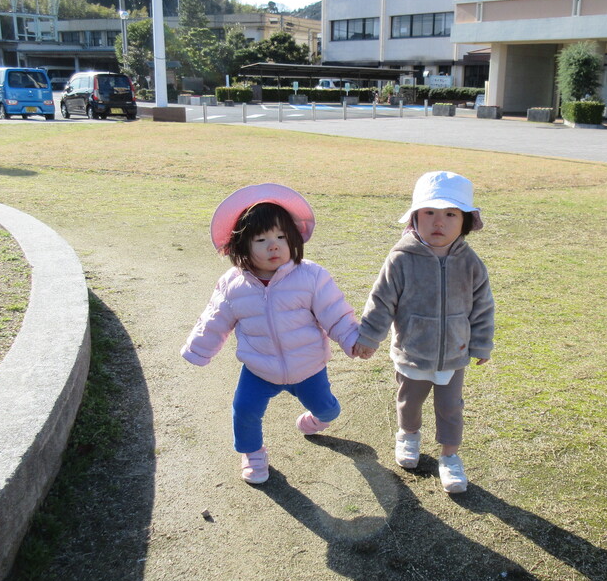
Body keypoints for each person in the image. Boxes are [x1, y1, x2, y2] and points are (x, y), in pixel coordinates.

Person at [181, 184, 360, 484]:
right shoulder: (233, 285)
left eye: (280, 237)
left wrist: (353, 341)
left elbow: (336, 313)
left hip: (308, 367)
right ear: (242, 245)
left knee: (328, 408)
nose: (273, 246)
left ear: (293, 238)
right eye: (261, 239)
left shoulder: (311, 276)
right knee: (244, 411)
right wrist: (198, 349)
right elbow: (213, 319)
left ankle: (318, 420)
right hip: (259, 368)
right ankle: (252, 453)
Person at [353, 171, 495, 494]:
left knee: (451, 408)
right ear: (415, 216)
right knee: (409, 401)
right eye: (429, 212)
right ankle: (408, 434)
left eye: (450, 214)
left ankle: (450, 456)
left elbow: (483, 306)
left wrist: (482, 343)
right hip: (413, 351)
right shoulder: (401, 258)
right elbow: (381, 300)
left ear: (466, 221)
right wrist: (369, 337)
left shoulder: (471, 263)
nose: (438, 222)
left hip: (454, 354)